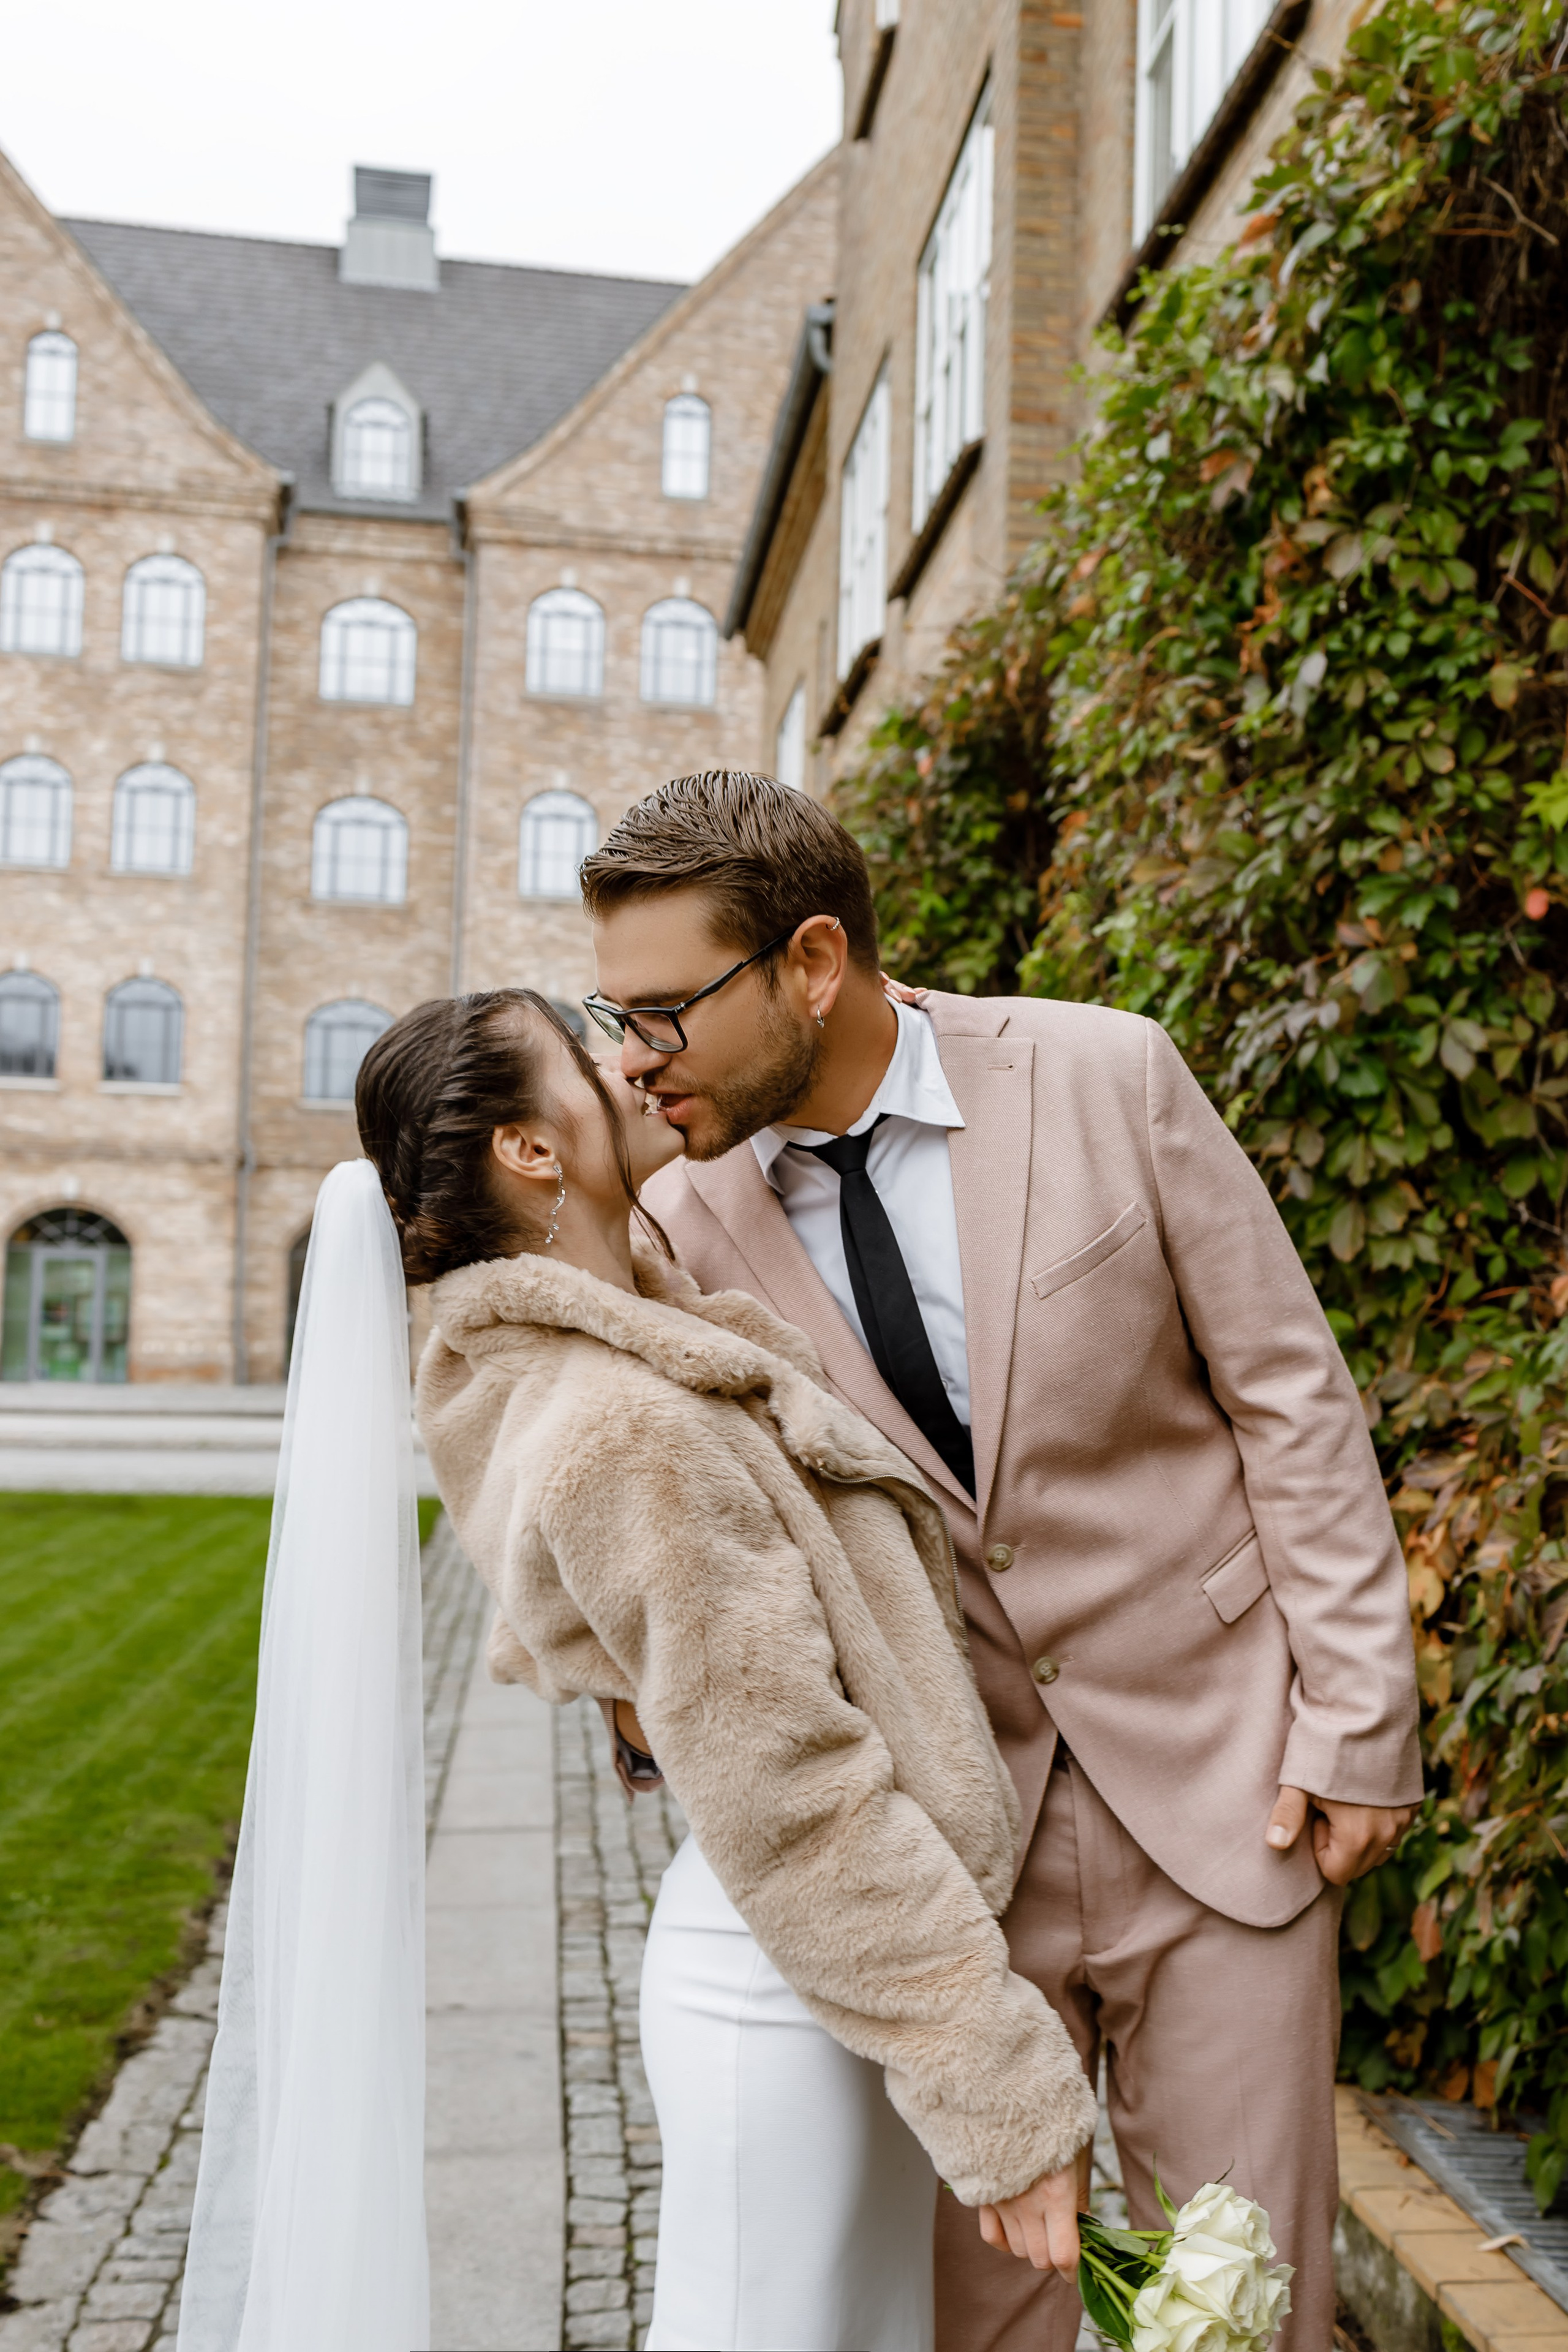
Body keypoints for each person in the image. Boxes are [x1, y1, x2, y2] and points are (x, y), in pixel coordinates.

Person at [576, 769, 1424, 2352]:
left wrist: (1359, 1715)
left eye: (665, 1012)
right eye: (614, 1014)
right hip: (952, 1857)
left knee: (1249, 2309)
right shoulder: (680, 1221)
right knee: (983, 2326)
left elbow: (1289, 1394)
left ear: (812, 961)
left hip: (1236, 1792)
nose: (636, 1059)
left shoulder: (1114, 1076)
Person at [353, 989, 1101, 2352]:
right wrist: (998, 2087)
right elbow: (790, 1793)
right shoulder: (622, 1422)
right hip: (787, 1984)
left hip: (821, 1974)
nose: (633, 1063)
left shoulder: (620, 1355)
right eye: (591, 1060)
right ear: (531, 1151)